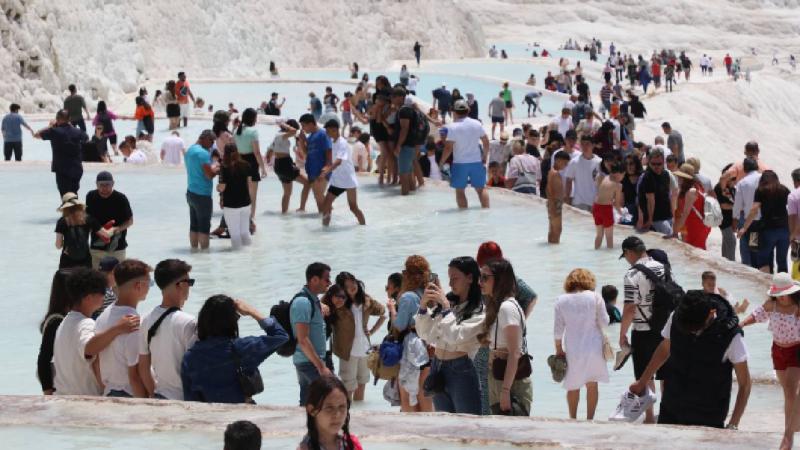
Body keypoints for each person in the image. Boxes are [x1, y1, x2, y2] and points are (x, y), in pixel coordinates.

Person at [629, 290, 751, 429]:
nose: (692, 332)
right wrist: (642, 381)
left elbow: (745, 383)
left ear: (711, 314)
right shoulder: (678, 316)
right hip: (671, 407)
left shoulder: (731, 336)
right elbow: (665, 348)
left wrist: (733, 424)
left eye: (696, 328)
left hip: (708, 416)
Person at [182, 295, 288, 403]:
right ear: (231, 321)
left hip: (210, 417)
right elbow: (280, 336)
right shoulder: (243, 348)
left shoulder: (190, 358)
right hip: (243, 415)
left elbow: (190, 400)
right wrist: (252, 311)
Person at [52, 267, 140, 395]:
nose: (104, 297)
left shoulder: (65, 322)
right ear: (88, 297)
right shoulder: (85, 324)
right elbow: (89, 348)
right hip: (82, 399)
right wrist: (118, 329)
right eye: (101, 293)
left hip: (63, 395)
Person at [417, 257, 486, 415]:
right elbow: (426, 334)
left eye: (455, 278)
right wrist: (423, 306)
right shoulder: (448, 304)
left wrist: (446, 308)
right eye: (449, 279)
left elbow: (456, 336)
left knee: (468, 427)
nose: (450, 284)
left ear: (470, 278)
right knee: (446, 428)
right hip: (438, 366)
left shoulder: (481, 311)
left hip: (461, 370)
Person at [619, 236, 667, 423]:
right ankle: (667, 411)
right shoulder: (662, 267)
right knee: (666, 373)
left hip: (643, 329)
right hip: (665, 327)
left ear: (629, 252)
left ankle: (649, 416)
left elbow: (630, 307)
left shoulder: (631, 275)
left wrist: (622, 334)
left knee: (646, 374)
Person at [477, 258, 532, 416]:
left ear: (500, 280)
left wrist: (506, 390)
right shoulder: (498, 306)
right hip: (500, 378)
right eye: (480, 277)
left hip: (511, 383)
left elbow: (515, 352)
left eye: (485, 277)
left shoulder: (507, 307)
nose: (480, 281)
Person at [136, 259, 197, 400]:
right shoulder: (189, 322)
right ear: (180, 285)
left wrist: (153, 393)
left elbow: (143, 367)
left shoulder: (146, 319)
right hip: (184, 399)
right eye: (189, 282)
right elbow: (196, 368)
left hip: (160, 395)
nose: (190, 287)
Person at [554, 269, 610, 420]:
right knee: (592, 384)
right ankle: (590, 419)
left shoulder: (561, 300)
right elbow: (605, 322)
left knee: (573, 386)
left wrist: (559, 350)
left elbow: (558, 331)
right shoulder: (595, 297)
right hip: (594, 347)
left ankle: (573, 419)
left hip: (573, 348)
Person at [93, 259, 152, 397]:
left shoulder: (104, 315)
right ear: (138, 286)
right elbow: (134, 377)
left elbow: (95, 361)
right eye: (149, 283)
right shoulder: (133, 323)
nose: (149, 288)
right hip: (129, 394)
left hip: (109, 391)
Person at [326, 272, 385, 401]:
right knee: (347, 387)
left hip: (365, 349)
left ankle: (359, 414)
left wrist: (373, 330)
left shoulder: (366, 300)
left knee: (362, 384)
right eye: (347, 285)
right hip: (347, 352)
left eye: (352, 282)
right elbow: (322, 306)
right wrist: (334, 299)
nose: (352, 286)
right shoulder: (338, 304)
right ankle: (347, 415)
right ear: (342, 288)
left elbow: (383, 312)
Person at [393, 255, 433, 412]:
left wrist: (391, 310)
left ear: (407, 274)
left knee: (408, 398)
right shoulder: (429, 294)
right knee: (426, 398)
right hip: (429, 346)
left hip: (412, 349)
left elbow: (401, 325)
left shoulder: (408, 297)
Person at [291, 262, 334, 406]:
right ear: (314, 279)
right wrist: (321, 367)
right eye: (326, 279)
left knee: (309, 404)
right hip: (309, 363)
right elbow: (303, 339)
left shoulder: (313, 300)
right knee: (330, 399)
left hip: (309, 361)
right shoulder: (303, 302)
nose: (329, 282)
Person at [439, 100, 490, 209]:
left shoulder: (452, 127)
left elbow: (448, 148)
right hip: (476, 162)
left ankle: (463, 218)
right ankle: (486, 213)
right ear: (468, 110)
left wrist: (442, 162)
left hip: (460, 163)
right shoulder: (477, 123)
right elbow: (486, 142)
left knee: (460, 191)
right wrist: (485, 156)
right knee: (481, 189)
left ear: (454, 112)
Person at [738, 170, 791, 273]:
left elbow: (754, 210)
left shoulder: (761, 191)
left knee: (763, 259)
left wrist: (744, 227)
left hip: (768, 230)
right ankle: (784, 286)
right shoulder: (784, 189)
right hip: (784, 230)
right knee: (782, 261)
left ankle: (766, 285)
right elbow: (792, 209)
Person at [318, 120, 365, 227]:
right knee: (326, 205)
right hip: (337, 181)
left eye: (328, 130)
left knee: (353, 208)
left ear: (334, 130)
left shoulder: (342, 143)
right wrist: (325, 168)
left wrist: (327, 171)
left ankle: (363, 227)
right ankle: (325, 230)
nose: (326, 133)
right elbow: (331, 160)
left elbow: (338, 161)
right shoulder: (332, 142)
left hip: (348, 180)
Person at [298, 376, 363, 450]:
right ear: (312, 410)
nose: (337, 415)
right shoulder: (305, 448)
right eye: (329, 408)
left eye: (342, 407)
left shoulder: (351, 445)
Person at [86, 171, 133, 268]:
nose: (104, 188)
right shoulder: (91, 196)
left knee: (118, 279)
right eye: (101, 185)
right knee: (96, 279)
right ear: (96, 184)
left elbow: (130, 221)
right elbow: (88, 218)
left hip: (117, 248)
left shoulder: (121, 198)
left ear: (113, 184)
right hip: (96, 247)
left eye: (108, 185)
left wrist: (115, 230)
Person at [35, 110, 87, 197]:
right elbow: (86, 138)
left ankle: (71, 210)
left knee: (65, 197)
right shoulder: (77, 131)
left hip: (62, 169)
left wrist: (50, 126)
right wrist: (71, 126)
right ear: (69, 119)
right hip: (76, 168)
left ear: (57, 119)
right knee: (74, 194)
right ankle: (77, 210)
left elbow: (36, 135)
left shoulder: (54, 131)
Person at [37, 269, 72, 394]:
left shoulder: (62, 316)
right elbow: (44, 359)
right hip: (57, 387)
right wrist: (48, 392)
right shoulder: (56, 321)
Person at [184, 130, 219, 251]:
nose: (212, 144)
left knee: (193, 226)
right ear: (205, 138)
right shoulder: (203, 154)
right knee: (204, 227)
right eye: (211, 141)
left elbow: (198, 169)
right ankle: (205, 254)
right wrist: (217, 168)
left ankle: (193, 250)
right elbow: (209, 175)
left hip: (190, 192)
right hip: (202, 195)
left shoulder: (190, 150)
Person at [232, 109, 266, 231]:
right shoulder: (253, 132)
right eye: (256, 117)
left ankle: (242, 220)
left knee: (242, 194)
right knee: (252, 195)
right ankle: (250, 220)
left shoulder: (236, 131)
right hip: (251, 163)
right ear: (253, 118)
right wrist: (263, 168)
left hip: (239, 163)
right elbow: (256, 152)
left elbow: (234, 150)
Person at [267, 119, 310, 214]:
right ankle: (302, 208)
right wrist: (283, 124)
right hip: (285, 164)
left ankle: (284, 214)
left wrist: (268, 160)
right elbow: (293, 131)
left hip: (278, 165)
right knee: (307, 183)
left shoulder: (277, 136)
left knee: (287, 193)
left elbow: (269, 151)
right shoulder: (282, 135)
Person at [217, 143, 253, 249]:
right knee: (245, 232)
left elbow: (222, 187)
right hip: (246, 203)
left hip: (231, 204)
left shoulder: (224, 167)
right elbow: (250, 185)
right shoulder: (246, 165)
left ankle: (238, 260)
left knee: (235, 234)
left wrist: (217, 188)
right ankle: (249, 255)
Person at [55, 192, 103, 269]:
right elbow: (105, 234)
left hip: (67, 261)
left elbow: (58, 245)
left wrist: (65, 243)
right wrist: (116, 229)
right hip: (85, 260)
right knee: (85, 280)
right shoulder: (88, 219)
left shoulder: (62, 221)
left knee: (67, 281)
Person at [298, 113, 332, 213]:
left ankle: (327, 217)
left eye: (304, 125)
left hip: (321, 171)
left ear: (311, 124)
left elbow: (329, 151)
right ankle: (323, 220)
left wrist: (326, 169)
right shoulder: (310, 137)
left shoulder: (323, 134)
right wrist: (302, 141)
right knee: (318, 198)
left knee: (319, 195)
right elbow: (306, 153)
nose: (303, 128)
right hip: (312, 171)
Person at [732, 157, 762, 267]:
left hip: (747, 220)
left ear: (744, 169)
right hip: (762, 220)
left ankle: (748, 269)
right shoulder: (764, 179)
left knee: (746, 249)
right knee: (756, 249)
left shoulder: (742, 183)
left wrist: (734, 218)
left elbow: (738, 204)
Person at [637, 147, 674, 235]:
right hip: (656, 218)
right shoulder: (648, 177)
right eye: (653, 164)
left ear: (663, 162)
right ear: (649, 163)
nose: (656, 166)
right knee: (669, 238)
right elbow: (650, 200)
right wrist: (650, 220)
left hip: (667, 215)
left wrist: (673, 214)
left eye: (659, 164)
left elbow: (669, 195)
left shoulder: (666, 174)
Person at [389, 89, 419, 196]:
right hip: (410, 145)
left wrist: (398, 146)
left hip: (405, 146)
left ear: (400, 97)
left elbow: (404, 129)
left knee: (404, 175)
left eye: (393, 97)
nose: (391, 99)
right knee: (409, 173)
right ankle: (411, 203)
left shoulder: (404, 111)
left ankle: (404, 199)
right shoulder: (409, 110)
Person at [565, 135, 601, 212]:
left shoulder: (600, 162)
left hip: (595, 202)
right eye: (582, 144)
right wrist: (567, 200)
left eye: (587, 144)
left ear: (593, 145)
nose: (585, 146)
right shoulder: (574, 162)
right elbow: (568, 181)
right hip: (579, 202)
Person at [593, 162, 624, 249]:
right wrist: (622, 213)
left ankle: (596, 251)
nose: (623, 178)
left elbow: (601, 193)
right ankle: (609, 258)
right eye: (623, 175)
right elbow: (617, 204)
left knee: (599, 235)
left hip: (596, 207)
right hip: (606, 209)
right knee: (609, 236)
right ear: (619, 174)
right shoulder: (618, 185)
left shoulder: (602, 177)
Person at [547, 151, 572, 244]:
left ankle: (551, 250)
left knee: (553, 229)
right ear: (558, 160)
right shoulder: (554, 173)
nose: (565, 166)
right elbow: (550, 190)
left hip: (553, 203)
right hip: (555, 203)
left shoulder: (552, 172)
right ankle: (554, 253)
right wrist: (553, 204)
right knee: (557, 230)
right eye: (565, 163)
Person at [715, 165, 737, 261]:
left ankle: (724, 261)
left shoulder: (731, 189)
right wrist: (738, 207)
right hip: (723, 220)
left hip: (729, 220)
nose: (735, 180)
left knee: (726, 242)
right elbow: (723, 205)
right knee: (731, 241)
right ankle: (731, 263)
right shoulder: (719, 188)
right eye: (733, 178)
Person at [789, 168, 800, 281]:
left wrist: (792, 237)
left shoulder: (794, 196)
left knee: (797, 277)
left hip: (799, 240)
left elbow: (793, 218)